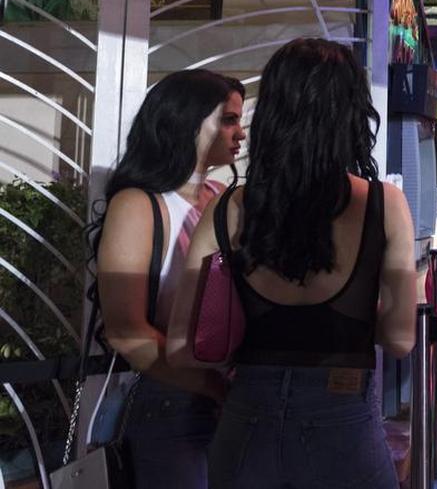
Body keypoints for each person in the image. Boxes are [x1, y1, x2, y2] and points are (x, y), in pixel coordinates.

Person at [167, 38, 416, 488]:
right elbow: (400, 340)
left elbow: (183, 345)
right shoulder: (384, 204)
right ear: (350, 113)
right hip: (344, 425)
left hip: (245, 422)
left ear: (273, 113)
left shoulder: (225, 210)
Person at [93, 70, 245, 489]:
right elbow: (126, 332)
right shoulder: (139, 205)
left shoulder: (218, 196)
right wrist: (213, 387)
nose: (240, 133)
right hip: (169, 396)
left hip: (226, 397)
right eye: (228, 120)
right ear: (189, 119)